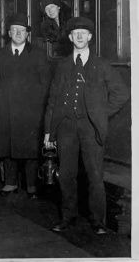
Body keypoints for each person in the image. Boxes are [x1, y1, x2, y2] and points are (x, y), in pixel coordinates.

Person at [43, 17, 129, 234]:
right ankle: (68, 216)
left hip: (91, 128)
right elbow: (52, 100)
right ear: (70, 38)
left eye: (84, 33)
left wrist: (101, 114)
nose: (79, 36)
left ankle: (97, 221)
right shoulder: (62, 65)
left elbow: (122, 92)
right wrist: (48, 131)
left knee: (95, 176)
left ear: (90, 37)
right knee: (66, 173)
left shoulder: (101, 65)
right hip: (66, 127)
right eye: (75, 34)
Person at [0, 13, 52, 199]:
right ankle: (10, 183)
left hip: (30, 112)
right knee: (7, 148)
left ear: (27, 34)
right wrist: (0, 101)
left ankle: (31, 186)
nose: (18, 33)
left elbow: (45, 83)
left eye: (22, 30)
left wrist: (35, 106)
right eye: (14, 30)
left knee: (30, 150)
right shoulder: (0, 54)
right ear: (9, 33)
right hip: (5, 110)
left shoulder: (38, 54)